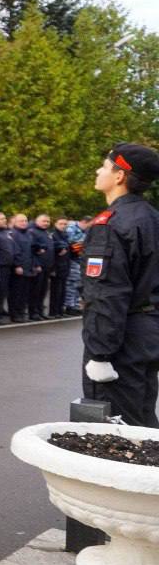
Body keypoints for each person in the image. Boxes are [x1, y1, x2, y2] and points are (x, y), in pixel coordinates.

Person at [79, 144, 159, 427]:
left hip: (121, 339)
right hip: (147, 332)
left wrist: (100, 353)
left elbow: (106, 294)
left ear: (120, 176)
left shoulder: (111, 224)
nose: (98, 170)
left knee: (118, 429)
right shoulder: (152, 218)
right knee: (143, 417)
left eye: (104, 165)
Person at [8, 214, 34, 323]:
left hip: (28, 267)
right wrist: (17, 265)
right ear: (15, 222)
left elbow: (31, 251)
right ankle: (15, 314)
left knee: (24, 292)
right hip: (18, 268)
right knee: (16, 292)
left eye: (25, 220)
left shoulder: (28, 234)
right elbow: (15, 251)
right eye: (21, 221)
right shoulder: (13, 234)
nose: (24, 223)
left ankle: (22, 311)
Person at [28, 214, 53, 321]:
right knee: (35, 291)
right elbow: (32, 249)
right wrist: (36, 264)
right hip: (38, 266)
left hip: (47, 265)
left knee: (43, 291)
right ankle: (33, 312)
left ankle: (40, 310)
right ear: (37, 221)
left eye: (48, 221)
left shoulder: (46, 232)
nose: (46, 223)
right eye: (44, 221)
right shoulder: (32, 232)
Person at [50, 217, 71, 318]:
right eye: (61, 223)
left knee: (63, 290)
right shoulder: (53, 235)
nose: (63, 226)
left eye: (65, 224)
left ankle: (60, 310)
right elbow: (52, 248)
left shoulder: (65, 235)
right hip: (56, 266)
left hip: (65, 265)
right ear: (55, 224)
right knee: (56, 290)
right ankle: (54, 311)